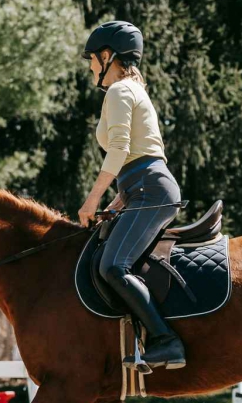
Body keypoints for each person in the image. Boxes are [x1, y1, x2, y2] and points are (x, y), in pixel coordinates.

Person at [78, 20, 186, 371]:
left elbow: (121, 149)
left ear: (107, 56)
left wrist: (93, 199)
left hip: (149, 190)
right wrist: (116, 202)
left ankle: (166, 341)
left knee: (113, 266)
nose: (91, 67)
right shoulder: (132, 90)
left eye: (93, 59)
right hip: (143, 187)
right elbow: (138, 157)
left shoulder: (119, 91)